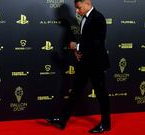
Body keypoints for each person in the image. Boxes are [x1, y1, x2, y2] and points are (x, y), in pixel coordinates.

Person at [46, 0, 111, 133]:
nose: (76, 11)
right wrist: (78, 51)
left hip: (96, 63)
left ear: (87, 3)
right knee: (75, 91)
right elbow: (87, 40)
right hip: (84, 62)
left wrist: (77, 46)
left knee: (101, 94)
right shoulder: (83, 18)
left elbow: (97, 44)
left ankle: (106, 124)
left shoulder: (98, 18)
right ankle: (63, 119)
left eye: (78, 7)